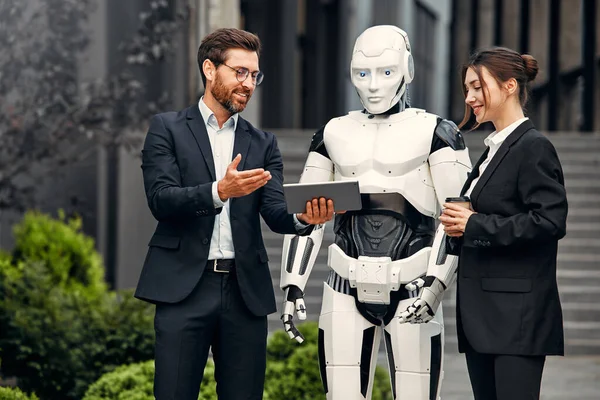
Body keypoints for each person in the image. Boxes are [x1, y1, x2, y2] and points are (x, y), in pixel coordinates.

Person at [134, 28, 335, 400]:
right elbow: (161, 200)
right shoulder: (167, 129)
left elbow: (275, 212)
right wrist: (218, 191)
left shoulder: (263, 143)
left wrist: (304, 219)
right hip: (184, 290)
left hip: (245, 294)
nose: (248, 83)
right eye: (239, 72)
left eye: (254, 75)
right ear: (210, 70)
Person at [279, 25, 472, 399]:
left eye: (386, 72)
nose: (372, 86)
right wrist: (292, 283)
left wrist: (436, 285)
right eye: (362, 74)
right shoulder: (333, 133)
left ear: (407, 69)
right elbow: (308, 214)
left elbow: (456, 218)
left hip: (413, 286)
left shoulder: (438, 132)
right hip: (343, 285)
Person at [439, 47, 568, 400]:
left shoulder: (533, 147)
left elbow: (550, 221)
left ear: (510, 86)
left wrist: (475, 224)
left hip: (516, 319)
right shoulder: (493, 148)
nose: (470, 98)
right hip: (485, 317)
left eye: (478, 87)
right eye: (467, 89)